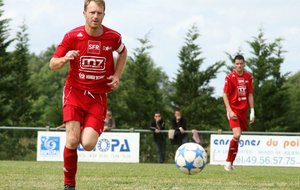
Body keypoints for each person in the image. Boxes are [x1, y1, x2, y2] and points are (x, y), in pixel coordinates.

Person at [49, 0, 127, 189]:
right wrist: (65, 58)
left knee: (88, 143)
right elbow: (53, 64)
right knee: (73, 140)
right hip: (74, 93)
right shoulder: (72, 36)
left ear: (103, 15)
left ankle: (82, 123)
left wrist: (117, 75)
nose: (95, 16)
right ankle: (69, 184)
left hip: (97, 97)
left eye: (99, 13)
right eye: (91, 12)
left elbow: (123, 53)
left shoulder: (113, 37)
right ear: (84, 13)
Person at [223, 54, 254, 171]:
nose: (239, 65)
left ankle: (231, 163)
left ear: (244, 63)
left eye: (241, 63)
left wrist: (252, 111)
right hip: (233, 109)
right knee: (237, 134)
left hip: (243, 110)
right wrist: (229, 110)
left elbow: (250, 94)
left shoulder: (248, 77)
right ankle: (227, 162)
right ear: (234, 64)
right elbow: (225, 95)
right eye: (237, 64)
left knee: (238, 137)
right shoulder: (230, 77)